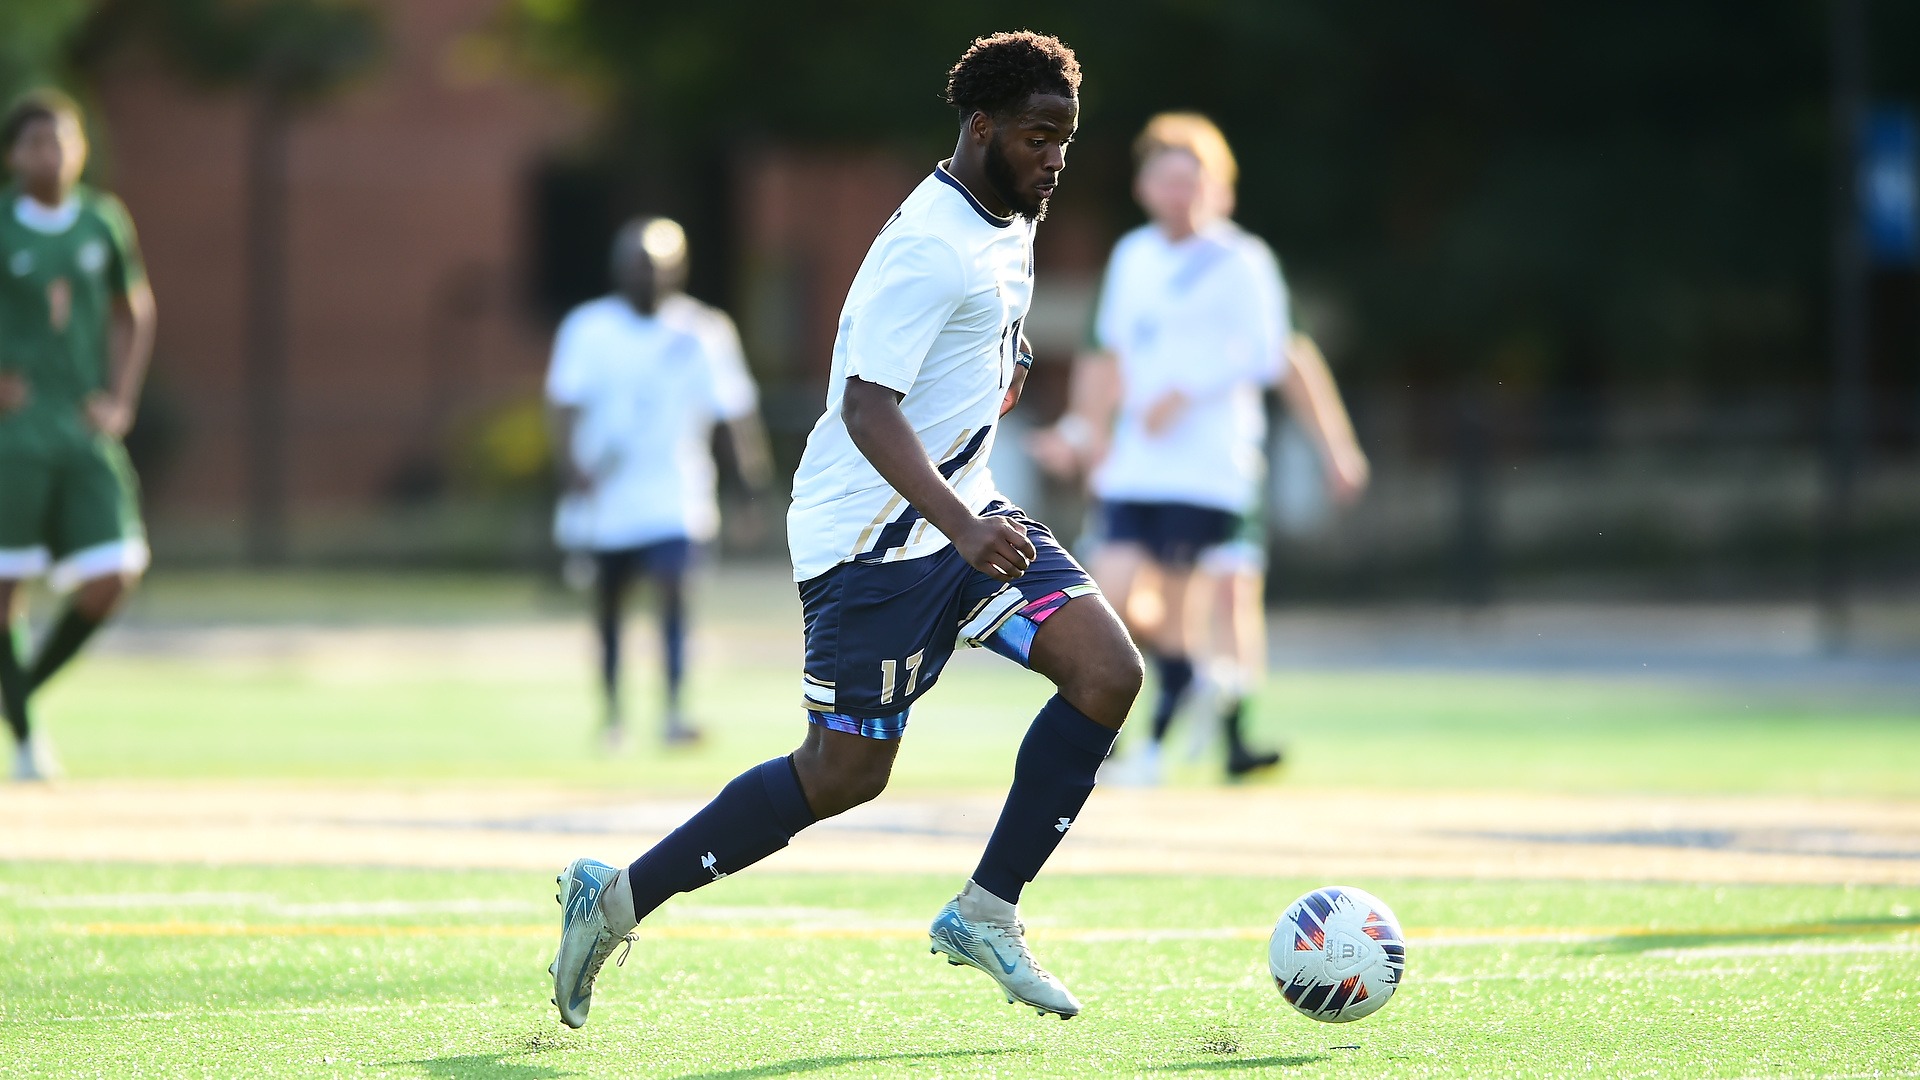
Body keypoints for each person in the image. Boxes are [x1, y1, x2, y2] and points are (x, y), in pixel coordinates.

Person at [548, 30, 1140, 1029]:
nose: (1055, 158)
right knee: (845, 773)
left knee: (1108, 672)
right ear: (982, 126)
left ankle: (987, 910)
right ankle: (615, 899)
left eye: (1066, 141)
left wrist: (1006, 365)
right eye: (1040, 137)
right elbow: (867, 408)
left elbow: (969, 339)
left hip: (961, 513)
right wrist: (958, 526)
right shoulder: (926, 245)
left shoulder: (1008, 217)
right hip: (871, 542)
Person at [1029, 113, 1366, 783]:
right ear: (1145, 185)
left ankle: (1156, 741)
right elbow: (1107, 360)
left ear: (1219, 187)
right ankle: (1201, 680)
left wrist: (1334, 446)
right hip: (1137, 468)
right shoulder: (1133, 258)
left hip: (1209, 471)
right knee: (1107, 598)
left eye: (1193, 178)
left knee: (1213, 600)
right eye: (1165, 176)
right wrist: (1081, 433)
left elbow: (1278, 354)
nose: (1179, 191)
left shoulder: (1243, 261)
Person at [546, 216, 772, 750]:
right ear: (619, 269)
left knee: (675, 593)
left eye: (657, 265)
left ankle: (674, 711)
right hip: (608, 497)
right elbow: (561, 404)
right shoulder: (588, 328)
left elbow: (734, 416)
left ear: (678, 269)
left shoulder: (704, 331)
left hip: (675, 493)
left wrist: (751, 489)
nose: (646, 275)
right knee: (609, 605)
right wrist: (568, 466)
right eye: (637, 264)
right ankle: (612, 714)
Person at [0, 90, 157, 782]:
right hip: (14, 430)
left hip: (79, 422)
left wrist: (120, 397)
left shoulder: (102, 221)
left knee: (115, 571)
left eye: (63, 140)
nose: (52, 154)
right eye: (36, 142)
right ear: (12, 154)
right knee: (6, 588)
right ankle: (28, 737)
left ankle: (18, 694)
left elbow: (134, 309)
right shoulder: (3, 225)